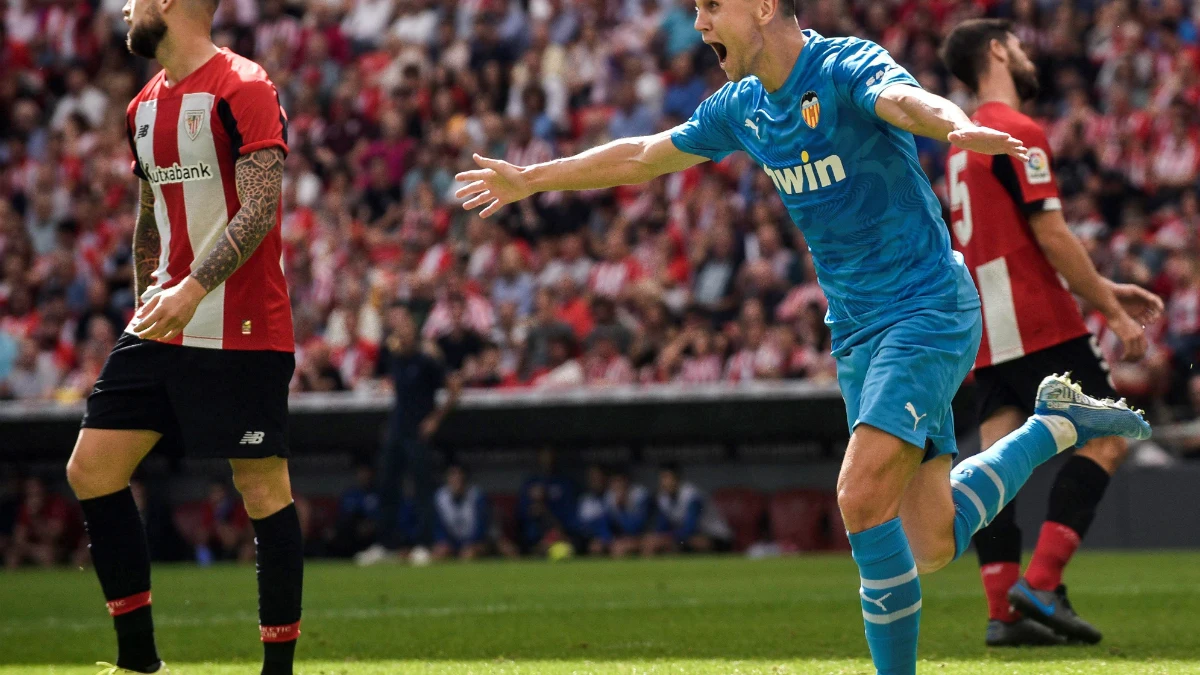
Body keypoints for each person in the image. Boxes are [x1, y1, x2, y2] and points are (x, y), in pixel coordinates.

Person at [454, 1, 1153, 671]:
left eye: (709, 6)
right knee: (931, 541)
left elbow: (904, 102)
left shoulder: (846, 66)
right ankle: (1054, 424)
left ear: (762, 6)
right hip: (855, 330)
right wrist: (530, 179)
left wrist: (953, 124)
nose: (697, 23)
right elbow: (643, 155)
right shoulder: (744, 106)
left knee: (857, 497)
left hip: (927, 307)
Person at [65, 0, 303, 670]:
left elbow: (261, 206)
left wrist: (193, 288)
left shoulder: (245, 86)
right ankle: (138, 661)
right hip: (162, 325)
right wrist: (149, 299)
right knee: (91, 468)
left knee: (261, 487)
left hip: (244, 327)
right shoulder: (141, 105)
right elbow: (150, 220)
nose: (124, 7)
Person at [940, 19, 1165, 647]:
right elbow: (1050, 231)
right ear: (996, 50)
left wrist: (1105, 288)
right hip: (1037, 317)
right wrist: (1113, 312)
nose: (1024, 52)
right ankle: (1040, 583)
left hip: (986, 329)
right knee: (1110, 436)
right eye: (1015, 42)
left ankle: (1001, 611)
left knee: (993, 467)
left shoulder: (959, 141)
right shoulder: (1018, 131)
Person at [356, 306, 461, 567]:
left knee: (422, 489)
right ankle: (386, 545)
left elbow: (454, 387)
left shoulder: (426, 362)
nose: (401, 337)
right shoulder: (395, 360)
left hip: (417, 432)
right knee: (387, 486)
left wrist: (435, 420)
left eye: (405, 331)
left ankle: (425, 544)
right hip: (396, 431)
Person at [644, 463, 732, 555]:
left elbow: (690, 528)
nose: (664, 482)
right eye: (662, 478)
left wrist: (666, 538)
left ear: (677, 478)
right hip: (691, 536)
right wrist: (655, 537)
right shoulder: (663, 497)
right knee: (654, 542)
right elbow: (663, 525)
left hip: (717, 537)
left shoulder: (692, 495)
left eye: (667, 478)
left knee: (683, 543)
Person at [604, 469, 652, 558]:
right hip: (621, 538)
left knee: (649, 545)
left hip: (643, 535)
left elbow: (639, 525)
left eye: (619, 481)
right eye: (614, 482)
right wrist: (611, 540)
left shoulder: (640, 494)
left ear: (626, 482)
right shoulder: (609, 496)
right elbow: (603, 523)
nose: (617, 485)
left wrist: (622, 508)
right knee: (611, 547)